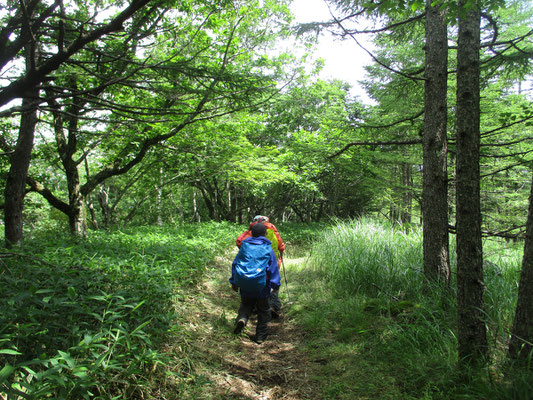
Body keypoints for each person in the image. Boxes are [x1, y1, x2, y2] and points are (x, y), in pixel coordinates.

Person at [230, 223, 280, 344]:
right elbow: (272, 268)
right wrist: (275, 285)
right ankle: (260, 336)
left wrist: (234, 282)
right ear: (265, 234)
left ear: (251, 233)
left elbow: (235, 264)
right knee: (263, 310)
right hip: (262, 285)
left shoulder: (245, 246)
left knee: (246, 305)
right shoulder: (267, 248)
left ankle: (242, 319)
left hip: (245, 283)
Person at [236, 215, 285, 317]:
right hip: (273, 262)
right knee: (271, 283)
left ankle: (252, 309)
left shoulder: (250, 232)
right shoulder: (273, 232)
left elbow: (239, 242)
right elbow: (281, 247)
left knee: (255, 283)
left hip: (251, 266)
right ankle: (271, 306)